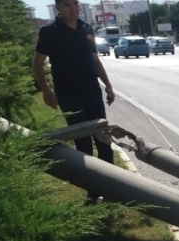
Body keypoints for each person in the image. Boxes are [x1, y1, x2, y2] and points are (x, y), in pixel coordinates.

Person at [33, 0, 115, 202]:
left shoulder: (86, 29)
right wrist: (46, 90)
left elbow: (94, 59)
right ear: (58, 7)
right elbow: (37, 63)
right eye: (68, 4)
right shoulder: (49, 32)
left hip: (92, 93)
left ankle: (113, 188)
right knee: (83, 144)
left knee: (104, 140)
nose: (74, 8)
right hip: (69, 96)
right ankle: (92, 193)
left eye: (76, 3)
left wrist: (108, 86)